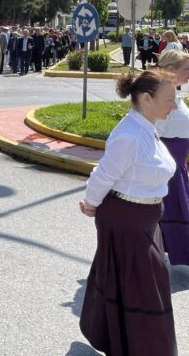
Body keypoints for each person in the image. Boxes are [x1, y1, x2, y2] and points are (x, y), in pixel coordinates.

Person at [79, 70, 177, 356]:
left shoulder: (147, 127)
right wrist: (91, 203)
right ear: (147, 98)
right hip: (127, 221)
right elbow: (102, 176)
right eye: (169, 99)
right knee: (144, 290)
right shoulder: (129, 135)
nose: (174, 104)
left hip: (145, 220)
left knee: (135, 286)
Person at [156, 50, 189, 266]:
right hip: (170, 170)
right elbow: (154, 135)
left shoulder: (176, 96)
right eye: (186, 69)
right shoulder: (165, 99)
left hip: (178, 167)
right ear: (170, 70)